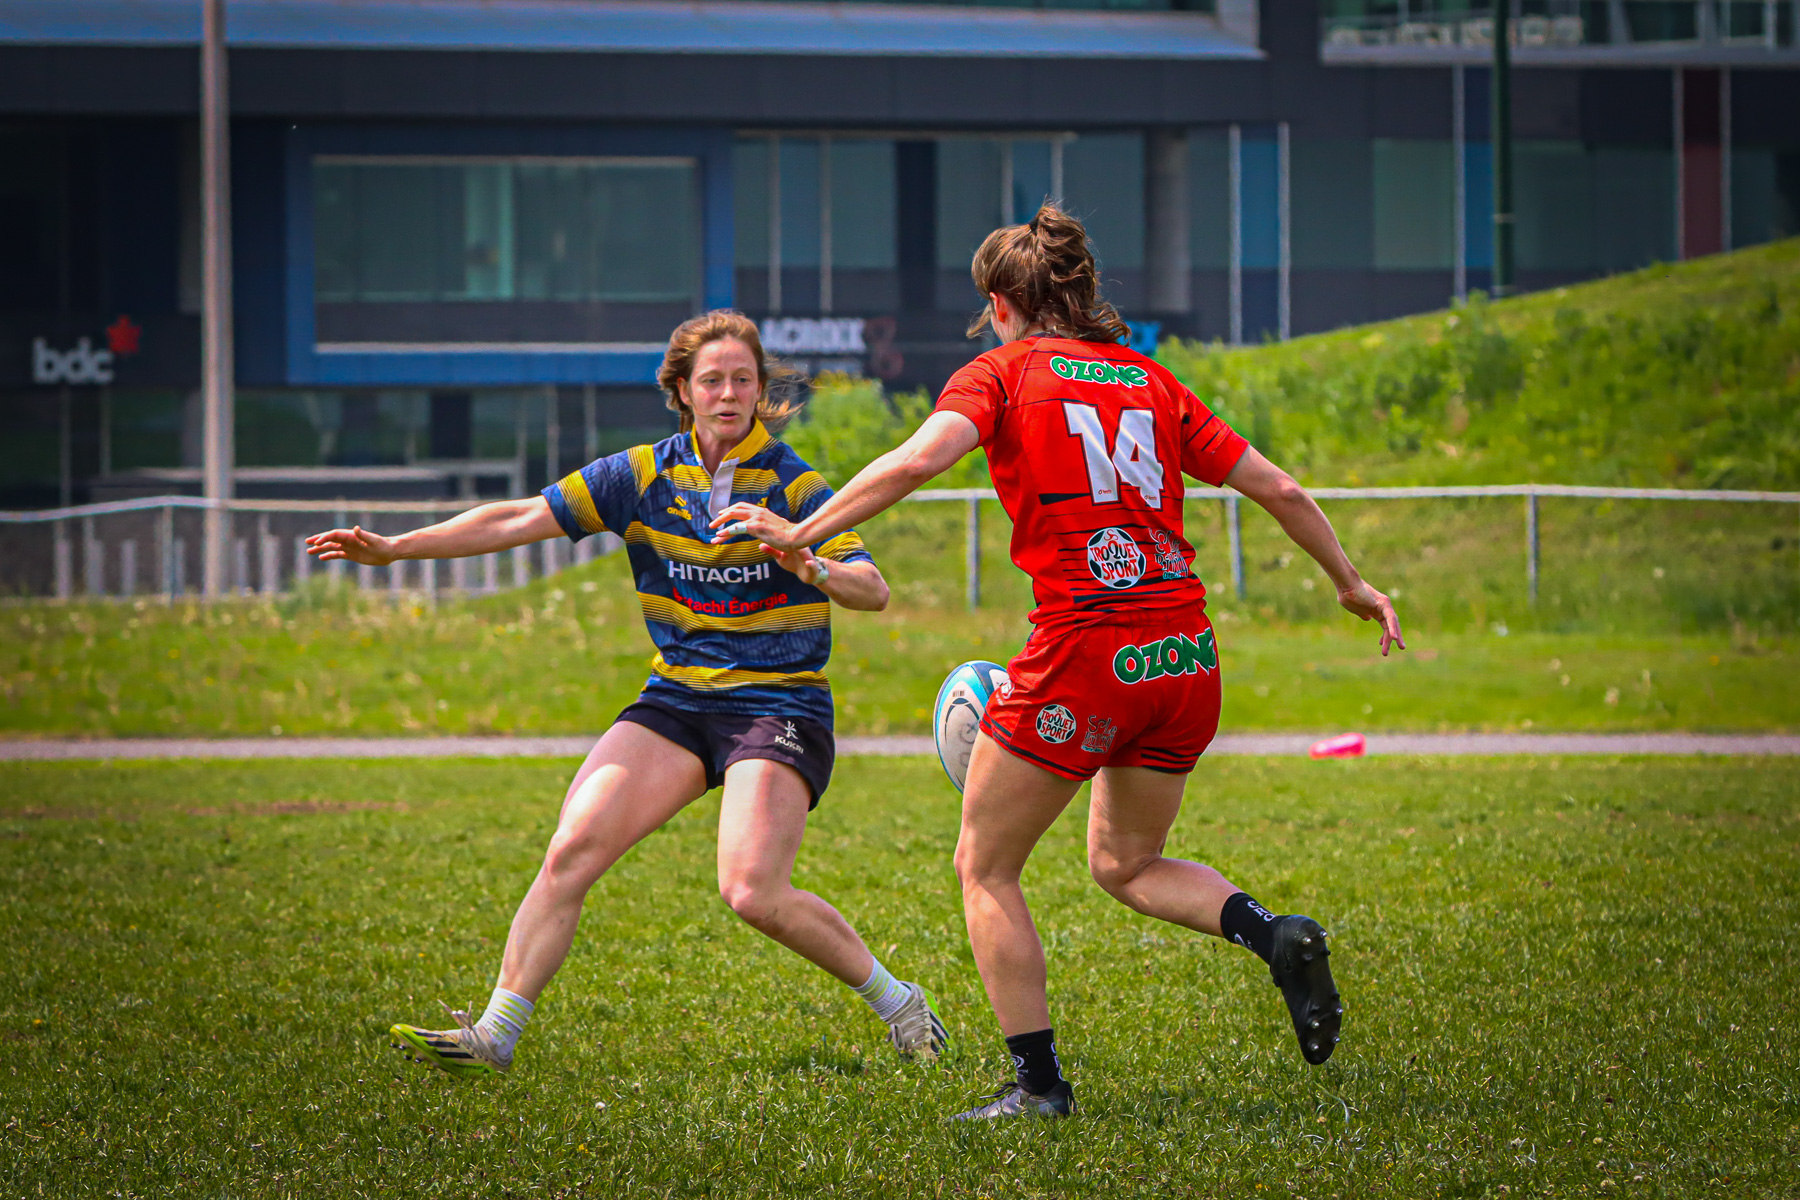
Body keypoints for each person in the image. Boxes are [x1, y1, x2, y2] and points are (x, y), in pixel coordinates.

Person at [710, 205, 1404, 1120]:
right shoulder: (1150, 379)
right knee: (1125, 863)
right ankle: (1274, 936)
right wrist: (1350, 583)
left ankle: (1038, 1086)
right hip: (1185, 656)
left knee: (985, 866)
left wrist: (802, 530)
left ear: (1002, 303)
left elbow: (918, 461)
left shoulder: (999, 373)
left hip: (1086, 652)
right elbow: (1276, 485)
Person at [306, 310, 947, 1076]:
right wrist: (400, 548)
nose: (730, 393)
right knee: (573, 847)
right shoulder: (639, 475)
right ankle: (496, 1033)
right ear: (681, 390)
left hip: (779, 704)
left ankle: (900, 1002)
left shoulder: (795, 485)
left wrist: (802, 555)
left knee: (750, 890)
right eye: (712, 380)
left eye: (744, 379)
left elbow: (871, 590)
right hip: (678, 701)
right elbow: (519, 516)